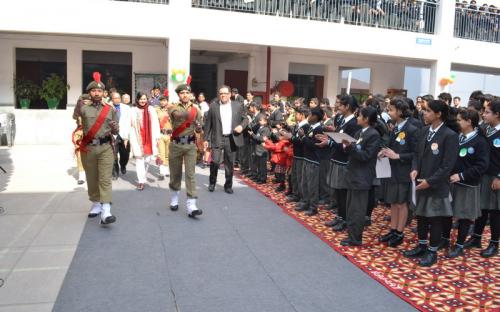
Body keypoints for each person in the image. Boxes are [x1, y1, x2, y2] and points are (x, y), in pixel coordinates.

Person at [404, 100, 459, 267]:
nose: (424, 113)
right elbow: (416, 155)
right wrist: (414, 169)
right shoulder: (424, 130)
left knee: (435, 219)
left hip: (436, 185)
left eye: (427, 111)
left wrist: (430, 181)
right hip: (421, 182)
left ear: (438, 114)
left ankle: (433, 251)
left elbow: (447, 165)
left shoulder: (450, 135)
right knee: (421, 216)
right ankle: (421, 245)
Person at [73, 72, 118, 225]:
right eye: (93, 91)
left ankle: (106, 210)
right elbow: (78, 125)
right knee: (91, 178)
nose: (97, 93)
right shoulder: (83, 109)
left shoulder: (110, 109)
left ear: (103, 93)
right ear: (89, 93)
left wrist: (114, 128)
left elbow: (116, 131)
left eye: (99, 91)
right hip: (89, 148)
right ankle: (96, 203)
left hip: (106, 147)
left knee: (105, 178)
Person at [444, 108, 489, 258]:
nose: (457, 122)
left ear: (469, 122)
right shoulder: (458, 137)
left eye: (459, 120)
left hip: (467, 184)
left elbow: (482, 166)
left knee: (464, 216)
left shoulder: (480, 141)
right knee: (447, 212)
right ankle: (444, 239)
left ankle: (459, 245)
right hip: (452, 182)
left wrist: (462, 176)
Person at [378, 98, 419, 247]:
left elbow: (416, 154)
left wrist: (398, 156)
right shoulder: (395, 127)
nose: (389, 113)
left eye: (391, 110)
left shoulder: (412, 129)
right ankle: (393, 229)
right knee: (393, 202)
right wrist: (384, 152)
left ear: (401, 111)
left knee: (402, 204)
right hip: (392, 170)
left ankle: (400, 232)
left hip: (403, 172)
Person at [464, 100, 500, 258]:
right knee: (482, 208)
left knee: (495, 211)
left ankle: (494, 243)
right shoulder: (485, 129)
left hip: (495, 177)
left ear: (497, 114)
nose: (483, 115)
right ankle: (476, 238)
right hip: (483, 175)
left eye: (487, 112)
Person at [340, 106, 381, 246]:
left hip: (362, 177)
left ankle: (356, 238)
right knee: (351, 208)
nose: (357, 118)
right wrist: (346, 147)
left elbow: (366, 156)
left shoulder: (373, 134)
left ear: (367, 119)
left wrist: (350, 147)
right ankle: (351, 235)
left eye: (359, 116)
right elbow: (354, 152)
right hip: (353, 174)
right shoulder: (359, 132)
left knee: (357, 209)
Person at [323, 95, 361, 232]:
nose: (338, 107)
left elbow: (348, 144)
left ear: (348, 107)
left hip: (344, 161)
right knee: (338, 192)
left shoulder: (353, 124)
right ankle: (340, 216)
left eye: (341, 105)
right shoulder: (342, 120)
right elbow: (339, 138)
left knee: (343, 192)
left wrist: (331, 141)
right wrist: (330, 140)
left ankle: (344, 219)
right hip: (337, 158)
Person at [204, 85, 249, 194]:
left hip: (231, 138)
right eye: (221, 93)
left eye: (225, 93)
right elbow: (208, 123)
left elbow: (246, 119)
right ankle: (212, 183)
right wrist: (206, 139)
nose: (223, 95)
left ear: (230, 94)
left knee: (229, 164)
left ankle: (228, 185)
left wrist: (241, 126)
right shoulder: (213, 106)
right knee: (214, 162)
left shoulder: (237, 105)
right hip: (217, 138)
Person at [168, 84, 203, 217]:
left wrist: (199, 127)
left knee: (190, 174)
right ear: (179, 95)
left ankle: (191, 205)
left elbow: (199, 128)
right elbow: (173, 119)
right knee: (175, 174)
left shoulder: (196, 109)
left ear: (190, 94)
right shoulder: (173, 108)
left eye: (187, 93)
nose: (184, 95)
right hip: (176, 145)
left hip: (190, 145)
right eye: (182, 93)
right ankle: (174, 199)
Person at [296, 107, 325, 216]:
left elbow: (314, 145)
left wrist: (303, 137)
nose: (308, 117)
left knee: (312, 185)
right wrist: (301, 137)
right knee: (305, 183)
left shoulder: (319, 130)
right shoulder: (311, 128)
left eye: (310, 115)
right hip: (307, 158)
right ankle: (305, 202)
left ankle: (313, 207)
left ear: (315, 117)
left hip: (314, 160)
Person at [129, 92, 160, 191]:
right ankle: (141, 181)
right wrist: (126, 137)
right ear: (137, 100)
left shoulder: (151, 109)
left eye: (144, 99)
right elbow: (128, 124)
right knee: (139, 160)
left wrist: (157, 136)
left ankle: (143, 176)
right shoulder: (132, 110)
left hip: (150, 137)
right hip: (137, 137)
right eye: (141, 99)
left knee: (148, 158)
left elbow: (156, 123)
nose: (143, 101)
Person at [110, 91, 132, 179]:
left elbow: (129, 122)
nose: (117, 99)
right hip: (112, 135)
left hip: (124, 134)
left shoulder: (126, 108)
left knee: (125, 154)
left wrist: (127, 136)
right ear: (112, 99)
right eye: (115, 98)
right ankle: (115, 171)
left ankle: (123, 165)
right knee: (113, 154)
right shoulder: (108, 107)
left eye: (118, 98)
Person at [156, 91, 172, 180]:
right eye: (161, 100)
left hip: (170, 135)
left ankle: (166, 171)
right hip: (161, 134)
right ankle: (162, 172)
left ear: (167, 101)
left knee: (168, 154)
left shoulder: (172, 109)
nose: (162, 102)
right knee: (161, 153)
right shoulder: (156, 109)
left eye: (164, 100)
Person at [252, 115, 271, 184]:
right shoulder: (260, 127)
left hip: (263, 149)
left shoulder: (266, 129)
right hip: (258, 148)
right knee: (259, 165)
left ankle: (263, 178)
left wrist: (253, 135)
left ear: (265, 121)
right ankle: (259, 177)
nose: (259, 121)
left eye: (261, 120)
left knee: (262, 165)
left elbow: (262, 138)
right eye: (259, 120)